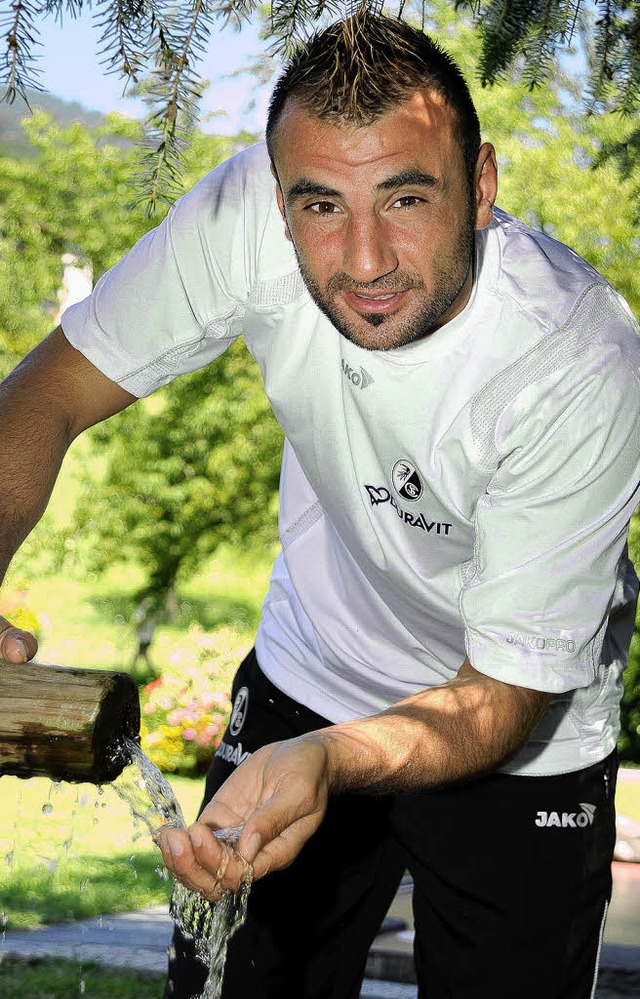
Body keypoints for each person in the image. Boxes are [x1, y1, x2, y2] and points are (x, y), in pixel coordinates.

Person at [1, 10, 639, 999]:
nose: (365, 260)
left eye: (405, 196)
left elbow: (505, 694)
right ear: (279, 195)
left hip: (526, 735)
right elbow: (49, 392)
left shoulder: (576, 361)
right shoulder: (241, 220)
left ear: (480, 187)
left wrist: (334, 763)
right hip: (312, 674)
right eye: (320, 206)